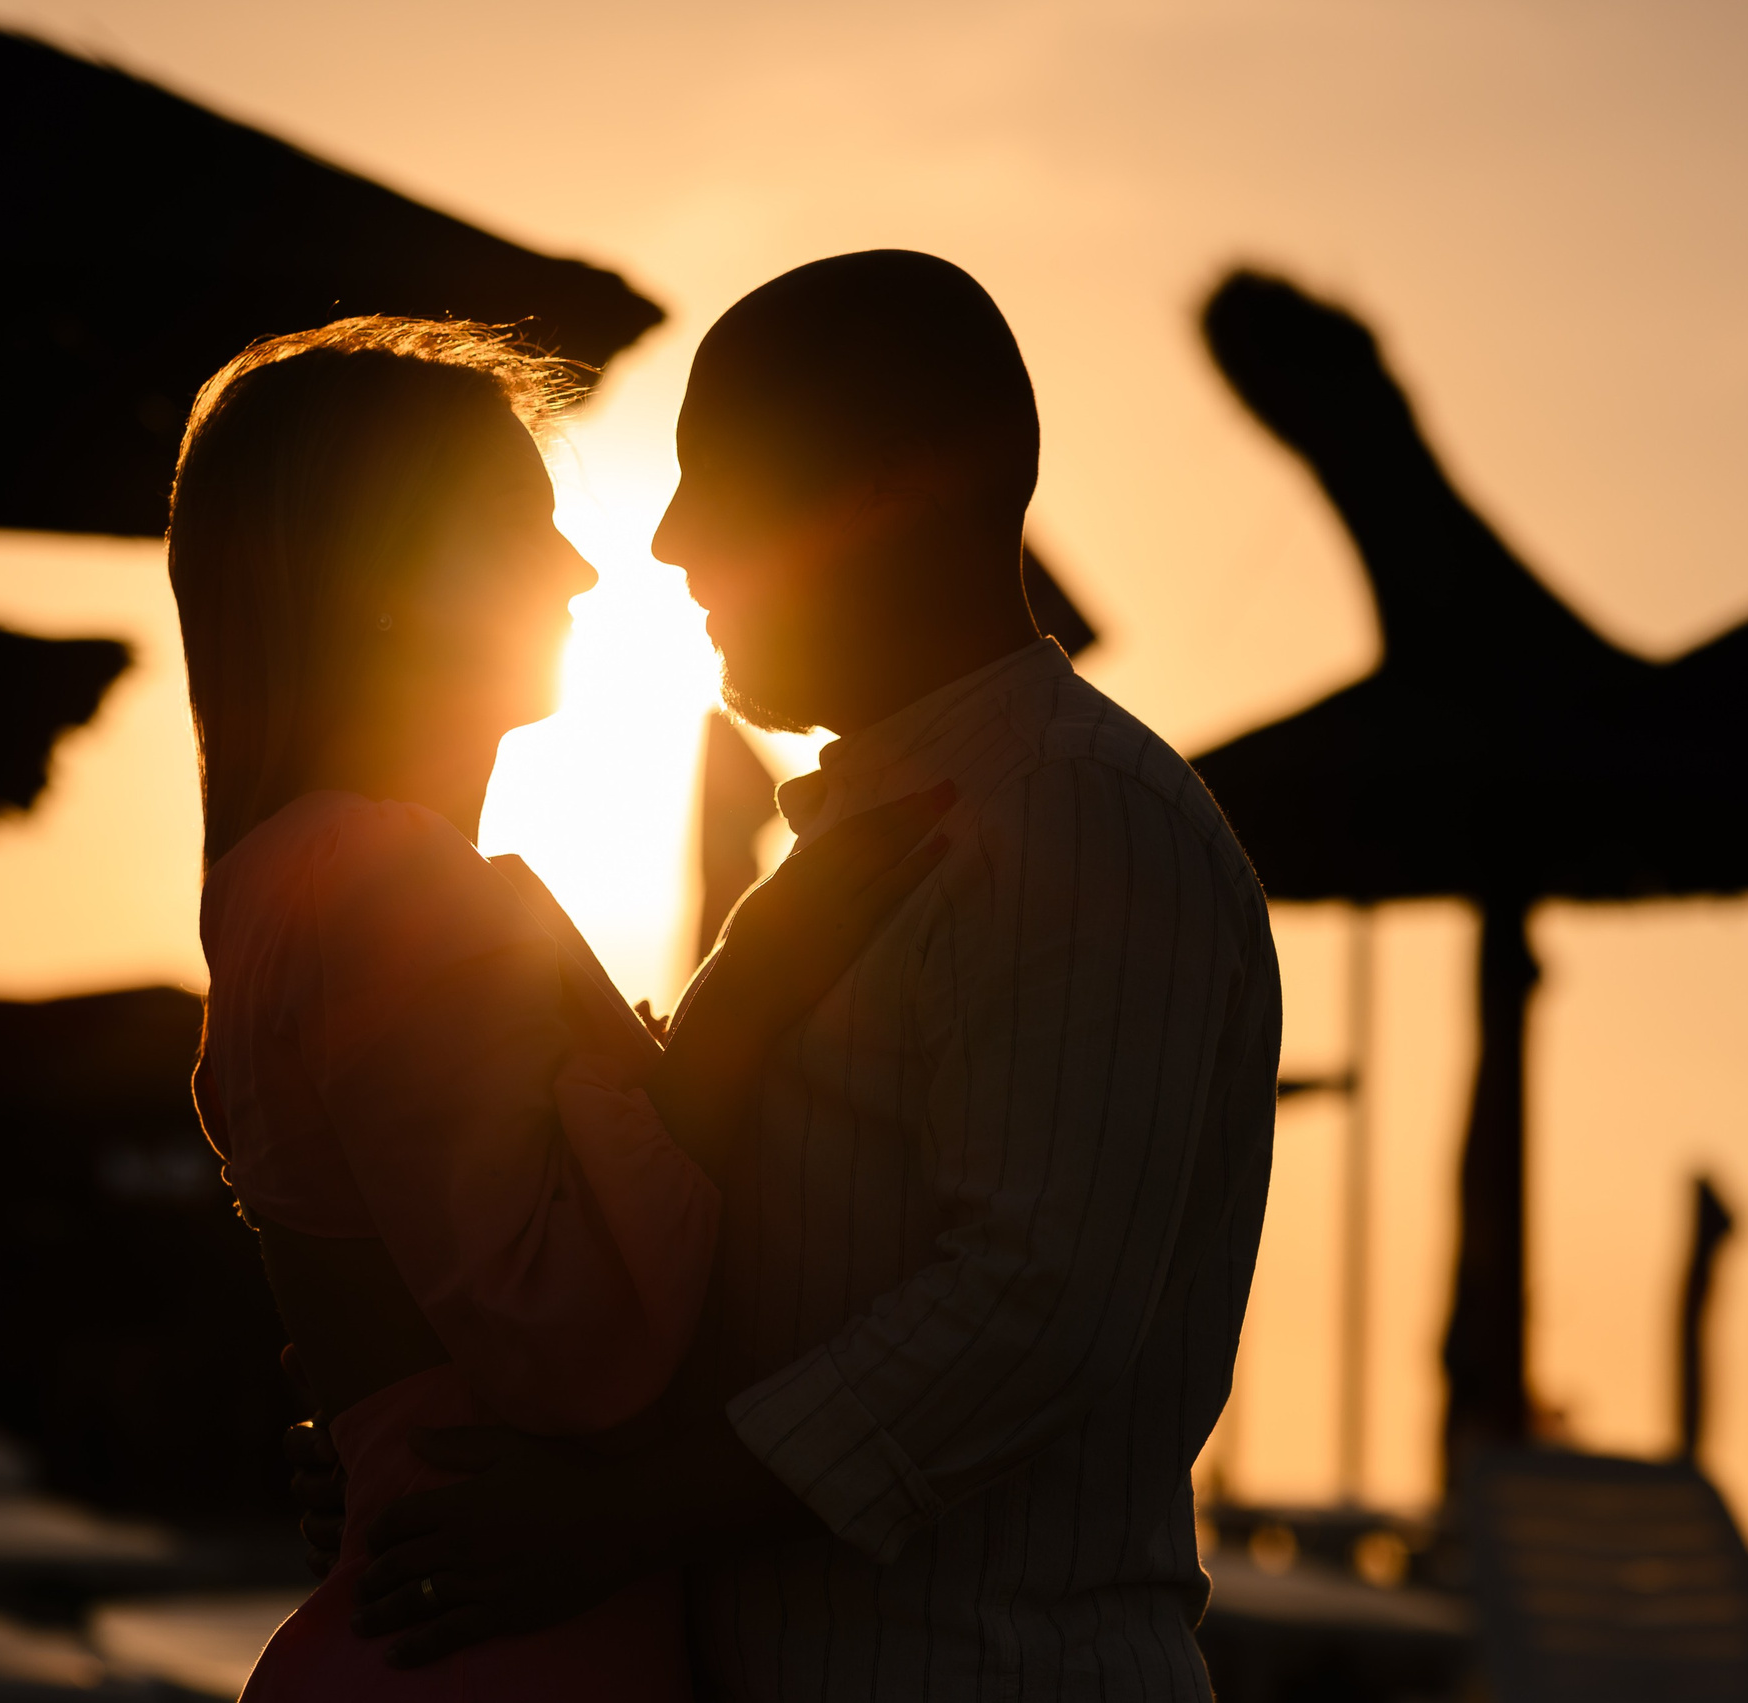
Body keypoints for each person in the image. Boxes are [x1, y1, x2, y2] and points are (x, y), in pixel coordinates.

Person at [343, 253, 1284, 1699]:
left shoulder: (1080, 814)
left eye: (721, 476)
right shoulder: (911, 829)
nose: (667, 541)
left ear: (900, 487)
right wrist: (456, 1457)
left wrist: (602, 1523)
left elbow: (1026, 1311)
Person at [167, 316, 952, 1701]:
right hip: (508, 1653)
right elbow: (575, 1343)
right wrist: (750, 990)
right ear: (392, 581)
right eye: (517, 525)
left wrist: (380, 1422)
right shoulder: (379, 882)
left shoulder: (286, 877)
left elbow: (443, 1298)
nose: (584, 570)